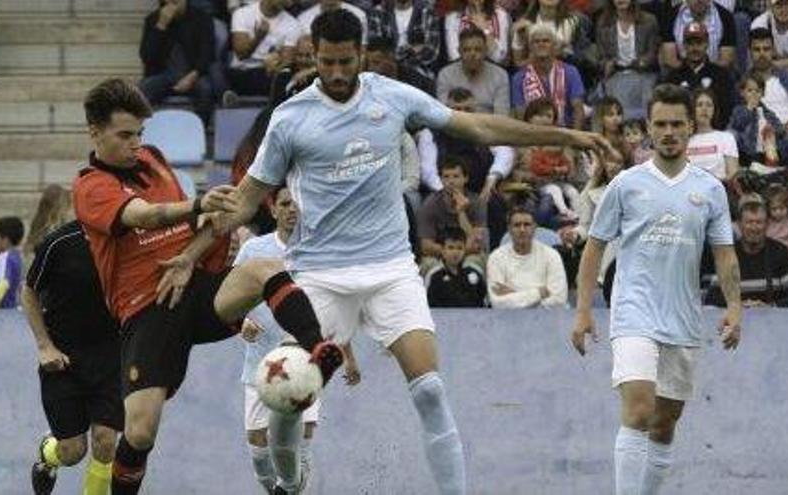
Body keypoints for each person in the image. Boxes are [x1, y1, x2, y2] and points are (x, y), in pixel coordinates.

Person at [204, 9, 613, 495]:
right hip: (319, 274)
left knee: (432, 390)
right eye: (327, 63)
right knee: (290, 390)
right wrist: (192, 251)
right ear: (314, 56)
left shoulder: (390, 96)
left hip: (391, 269)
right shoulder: (291, 118)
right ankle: (289, 485)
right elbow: (248, 199)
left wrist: (563, 134)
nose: (336, 74)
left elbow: (475, 127)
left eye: (345, 62)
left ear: (362, 55)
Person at [71, 78, 343, 495]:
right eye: (124, 135)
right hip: (148, 309)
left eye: (139, 134)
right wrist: (198, 204)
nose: (135, 144)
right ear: (94, 132)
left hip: (193, 286)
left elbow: (191, 227)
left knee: (262, 268)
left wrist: (190, 254)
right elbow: (147, 216)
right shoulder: (90, 186)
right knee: (140, 433)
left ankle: (317, 349)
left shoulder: (154, 159)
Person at [572, 84, 742, 495]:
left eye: (677, 124)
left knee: (664, 424)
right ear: (648, 128)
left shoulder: (711, 190)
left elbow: (724, 255)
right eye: (661, 124)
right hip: (633, 312)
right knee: (639, 409)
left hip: (683, 317)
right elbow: (594, 248)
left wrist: (734, 306)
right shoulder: (626, 185)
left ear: (690, 128)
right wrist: (582, 311)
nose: (669, 131)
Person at [235, 185, 361, 493]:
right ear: (273, 209)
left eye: (298, 204)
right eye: (285, 203)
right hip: (261, 364)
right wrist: (242, 322)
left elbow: (333, 310)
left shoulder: (321, 252)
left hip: (307, 362)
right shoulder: (254, 251)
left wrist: (349, 356)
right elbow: (232, 295)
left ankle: (291, 487)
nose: (293, 209)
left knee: (300, 440)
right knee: (258, 446)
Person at [24, 196, 122, 495]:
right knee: (73, 451)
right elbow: (29, 293)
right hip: (64, 359)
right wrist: (45, 346)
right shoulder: (59, 243)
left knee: (105, 439)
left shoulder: (129, 242)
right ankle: (48, 453)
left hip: (111, 357)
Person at [704, 200, 788, 306]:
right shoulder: (728, 255)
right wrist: (738, 305)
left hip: (774, 319)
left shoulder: (782, 253)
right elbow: (712, 298)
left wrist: (769, 307)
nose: (754, 228)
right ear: (739, 225)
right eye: (749, 222)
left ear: (767, 225)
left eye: (759, 222)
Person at [139, 0, 216, 121]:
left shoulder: (202, 18)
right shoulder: (153, 19)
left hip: (193, 73)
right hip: (163, 75)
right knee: (140, 92)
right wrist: (161, 26)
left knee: (206, 89)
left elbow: (207, 53)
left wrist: (192, 76)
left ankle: (200, 131)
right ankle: (144, 133)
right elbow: (147, 57)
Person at [487, 206, 568, 309]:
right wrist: (538, 293)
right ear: (509, 229)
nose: (522, 230)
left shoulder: (552, 256)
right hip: (508, 321)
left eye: (527, 225)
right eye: (517, 225)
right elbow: (498, 303)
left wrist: (514, 294)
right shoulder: (496, 258)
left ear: (535, 228)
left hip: (546, 322)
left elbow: (559, 301)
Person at [662, 21, 736, 130]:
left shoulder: (721, 75)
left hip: (714, 133)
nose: (694, 48)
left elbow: (727, 109)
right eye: (690, 43)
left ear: (707, 44)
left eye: (699, 43)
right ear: (684, 45)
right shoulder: (673, 77)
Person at [425, 227, 487, 307]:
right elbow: (427, 305)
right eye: (451, 248)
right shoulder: (434, 275)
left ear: (465, 250)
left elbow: (484, 303)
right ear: (443, 250)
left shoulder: (475, 271)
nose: (455, 252)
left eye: (459, 248)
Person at [686, 88, 740, 180]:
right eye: (699, 105)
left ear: (714, 110)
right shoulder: (684, 140)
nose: (704, 109)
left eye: (709, 105)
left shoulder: (726, 138)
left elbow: (733, 174)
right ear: (692, 110)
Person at [0, 216, 23, 309]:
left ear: (5, 240)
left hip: (5, 309)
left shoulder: (5, 257)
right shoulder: (15, 256)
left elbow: (4, 283)